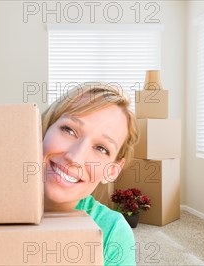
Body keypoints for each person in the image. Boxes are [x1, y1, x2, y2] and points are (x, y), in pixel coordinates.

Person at [41, 83, 139, 265]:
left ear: (111, 171)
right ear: (43, 129)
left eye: (101, 148)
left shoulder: (112, 232)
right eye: (69, 130)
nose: (76, 158)